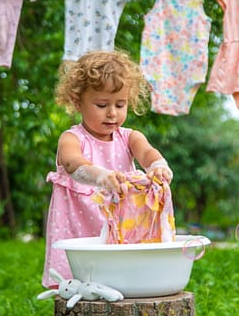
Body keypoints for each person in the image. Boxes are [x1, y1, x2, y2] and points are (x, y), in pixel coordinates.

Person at [42, 50, 173, 289]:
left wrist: (158, 166)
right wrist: (101, 176)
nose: (112, 112)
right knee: (80, 286)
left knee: (120, 283)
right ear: (77, 102)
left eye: (120, 104)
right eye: (102, 104)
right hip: (77, 228)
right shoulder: (72, 138)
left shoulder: (129, 137)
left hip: (119, 227)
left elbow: (146, 152)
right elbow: (72, 163)